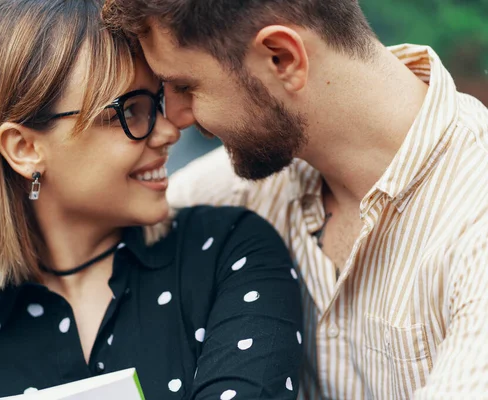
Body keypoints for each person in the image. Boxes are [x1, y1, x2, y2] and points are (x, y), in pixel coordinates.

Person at [0, 1, 304, 399]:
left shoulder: (227, 253)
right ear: (24, 148)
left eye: (157, 102)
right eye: (130, 111)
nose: (168, 132)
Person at [103, 0, 488, 398]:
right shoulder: (234, 189)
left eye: (185, 87)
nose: (177, 117)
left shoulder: (475, 218)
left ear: (282, 57)